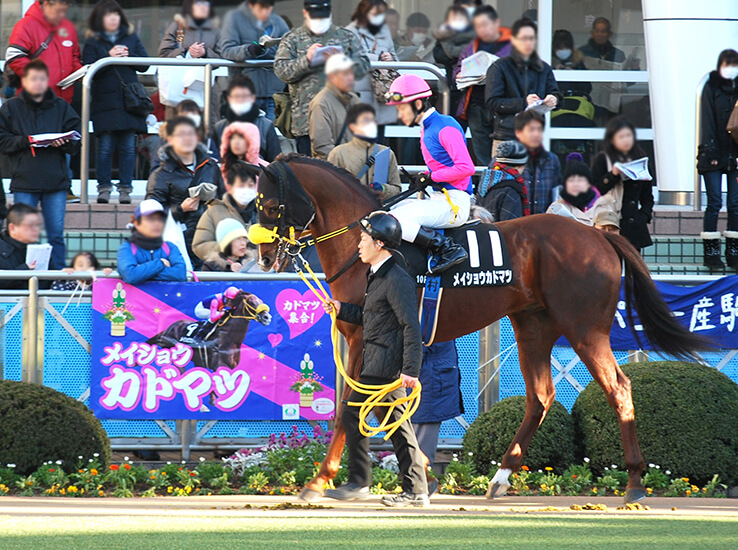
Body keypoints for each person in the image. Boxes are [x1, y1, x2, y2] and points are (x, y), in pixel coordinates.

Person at [323, 211, 429, 507]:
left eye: (364, 239)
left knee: (392, 425)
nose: (359, 244)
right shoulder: (378, 274)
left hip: (389, 367)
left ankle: (409, 490)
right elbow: (373, 319)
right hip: (377, 362)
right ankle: (364, 482)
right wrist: (342, 308)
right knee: (357, 415)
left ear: (379, 243)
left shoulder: (397, 278)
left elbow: (411, 325)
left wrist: (410, 370)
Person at [386, 74, 474, 273]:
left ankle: (447, 249)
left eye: (401, 108)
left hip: (454, 203)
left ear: (417, 104)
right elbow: (444, 164)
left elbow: (466, 167)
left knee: (395, 221)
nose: (399, 115)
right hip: (439, 198)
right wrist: (426, 174)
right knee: (386, 211)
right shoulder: (428, 127)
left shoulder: (444, 127)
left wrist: (432, 177)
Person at [0, 59, 80, 269]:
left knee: (56, 235)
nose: (38, 83)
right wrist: (27, 140)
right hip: (24, 180)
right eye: (33, 79)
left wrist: (63, 143)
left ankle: (57, 282)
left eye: (42, 79)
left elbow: (76, 143)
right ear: (24, 81)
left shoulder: (62, 107)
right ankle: (20, 279)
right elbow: (3, 141)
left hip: (56, 181)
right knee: (21, 235)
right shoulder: (11, 108)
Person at [274, 0, 370, 156]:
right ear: (305, 14)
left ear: (330, 14)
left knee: (342, 173)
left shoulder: (346, 37)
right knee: (310, 175)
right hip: (306, 121)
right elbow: (281, 71)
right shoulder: (292, 39)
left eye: (323, 18)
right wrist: (307, 60)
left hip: (341, 120)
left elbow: (364, 67)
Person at [82, 0, 149, 205]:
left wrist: (131, 56)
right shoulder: (93, 41)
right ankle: (103, 188)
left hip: (129, 103)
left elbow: (145, 64)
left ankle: (125, 189)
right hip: (105, 102)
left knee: (128, 148)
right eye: (108, 15)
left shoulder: (131, 37)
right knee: (105, 148)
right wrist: (107, 56)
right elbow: (87, 68)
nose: (113, 18)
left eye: (116, 14)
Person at [146, 116, 224, 269]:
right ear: (170, 139)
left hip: (211, 241)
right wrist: (181, 209)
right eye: (181, 135)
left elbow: (224, 199)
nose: (187, 139)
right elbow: (151, 215)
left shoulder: (211, 166)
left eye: (191, 134)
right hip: (179, 242)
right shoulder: (161, 174)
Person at [485, 18, 561, 152]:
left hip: (534, 136)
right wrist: (523, 102)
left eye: (531, 38)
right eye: (524, 38)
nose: (528, 43)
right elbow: (492, 102)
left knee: (535, 172)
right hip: (507, 136)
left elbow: (555, 92)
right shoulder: (499, 67)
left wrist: (555, 98)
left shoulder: (543, 68)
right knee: (504, 173)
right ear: (514, 40)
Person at [453, 5, 512, 166]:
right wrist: (458, 74)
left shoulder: (511, 46)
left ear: (496, 23)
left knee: (502, 151)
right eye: (478, 26)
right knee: (481, 151)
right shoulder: (471, 47)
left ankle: (500, 184)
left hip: (501, 105)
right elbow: (458, 68)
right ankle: (486, 187)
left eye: (485, 24)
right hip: (475, 104)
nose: (482, 29)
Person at [698, 49, 738, 269]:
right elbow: (707, 121)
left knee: (735, 204)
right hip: (713, 153)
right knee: (714, 201)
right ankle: (711, 253)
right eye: (727, 63)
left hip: (735, 155)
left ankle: (733, 252)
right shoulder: (711, 87)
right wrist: (711, 151)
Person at [592, 116, 655, 252]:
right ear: (612, 139)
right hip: (609, 222)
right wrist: (613, 175)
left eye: (628, 135)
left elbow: (647, 197)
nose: (626, 140)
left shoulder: (641, 161)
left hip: (632, 225)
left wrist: (643, 217)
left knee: (632, 267)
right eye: (621, 136)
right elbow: (594, 191)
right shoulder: (603, 159)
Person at [220, 0, 290, 121]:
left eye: (268, 8)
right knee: (247, 135)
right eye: (261, 8)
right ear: (250, 5)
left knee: (271, 136)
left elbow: (290, 49)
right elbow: (226, 50)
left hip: (273, 92)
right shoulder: (234, 19)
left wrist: (272, 49)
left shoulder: (278, 22)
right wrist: (249, 50)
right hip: (244, 93)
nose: (265, 12)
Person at [5, 0, 81, 105]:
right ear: (46, 4)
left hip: (64, 102)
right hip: (34, 101)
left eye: (64, 11)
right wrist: (37, 78)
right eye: (58, 11)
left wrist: (80, 73)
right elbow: (14, 57)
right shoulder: (26, 25)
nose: (62, 15)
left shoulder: (68, 27)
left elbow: (74, 57)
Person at [327, 103, 401, 199]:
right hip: (349, 211)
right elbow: (329, 190)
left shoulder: (387, 153)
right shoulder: (338, 153)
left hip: (379, 210)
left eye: (373, 121)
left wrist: (383, 189)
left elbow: (397, 189)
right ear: (353, 126)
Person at [346, 0, 398, 133]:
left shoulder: (384, 31)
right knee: (361, 140)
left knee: (380, 141)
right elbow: (351, 58)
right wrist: (378, 60)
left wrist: (391, 59)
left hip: (381, 95)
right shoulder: (350, 31)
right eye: (376, 13)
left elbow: (395, 58)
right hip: (360, 93)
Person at [193, 162, 260, 264]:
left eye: (250, 185)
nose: (246, 189)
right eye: (241, 185)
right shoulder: (214, 211)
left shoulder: (262, 212)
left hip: (257, 271)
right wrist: (227, 249)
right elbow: (199, 245)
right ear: (230, 187)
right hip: (224, 272)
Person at [412, 341, 463, 469]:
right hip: (430, 378)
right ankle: (419, 480)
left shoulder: (431, 324)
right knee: (419, 435)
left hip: (428, 380)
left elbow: (417, 349)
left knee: (421, 437)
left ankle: (421, 482)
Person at [209, 75, 281, 163]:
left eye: (245, 96)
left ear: (253, 98)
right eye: (236, 96)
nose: (240, 100)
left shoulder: (266, 125)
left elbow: (275, 161)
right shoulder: (220, 127)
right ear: (229, 98)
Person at [117, 199, 187, 284]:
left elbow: (180, 274)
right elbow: (131, 275)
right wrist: (161, 263)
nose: (156, 223)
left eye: (160, 219)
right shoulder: (127, 247)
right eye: (150, 219)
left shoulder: (170, 247)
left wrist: (143, 272)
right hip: (136, 297)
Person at [309, 54, 362, 159]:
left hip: (356, 167)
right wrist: (349, 165)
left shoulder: (354, 99)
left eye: (352, 73)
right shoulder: (321, 104)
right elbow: (322, 148)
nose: (351, 78)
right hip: (335, 171)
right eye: (345, 74)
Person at [514, 110, 562, 214]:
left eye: (539, 130)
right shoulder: (506, 160)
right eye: (531, 130)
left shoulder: (551, 160)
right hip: (514, 223)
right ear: (518, 132)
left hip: (542, 223)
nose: (536, 134)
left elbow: (556, 195)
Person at [433, 6, 475, 121]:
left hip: (474, 90)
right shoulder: (446, 34)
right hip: (455, 86)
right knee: (454, 123)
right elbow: (440, 55)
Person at [0, 204, 56, 290]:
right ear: (12, 228)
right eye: (30, 226)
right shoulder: (2, 249)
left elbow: (51, 280)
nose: (36, 230)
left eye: (37, 225)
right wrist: (23, 270)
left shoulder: (40, 250)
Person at [476, 140, 530, 222]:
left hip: (486, 233)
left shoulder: (487, 181)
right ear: (519, 166)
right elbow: (512, 225)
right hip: (501, 233)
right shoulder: (511, 189)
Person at [546, 153, 605, 225]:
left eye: (580, 180)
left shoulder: (603, 206)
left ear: (589, 183)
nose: (575, 184)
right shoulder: (556, 208)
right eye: (571, 180)